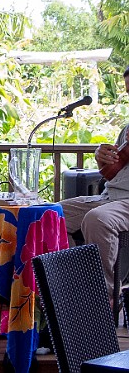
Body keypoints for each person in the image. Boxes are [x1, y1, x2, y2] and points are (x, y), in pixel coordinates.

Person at [60, 65, 129, 304]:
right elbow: (113, 175)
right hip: (110, 198)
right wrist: (103, 158)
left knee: (97, 219)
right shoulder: (128, 129)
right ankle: (71, 287)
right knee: (51, 215)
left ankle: (105, 298)